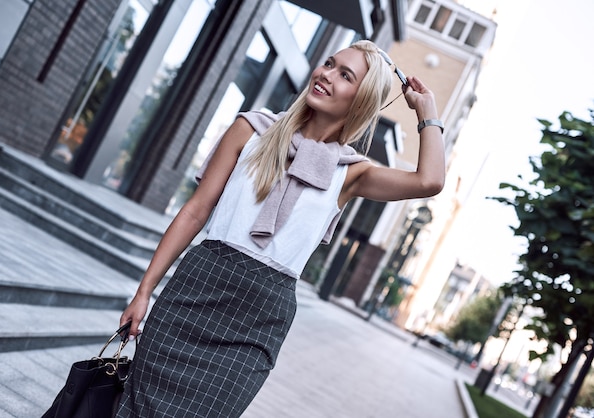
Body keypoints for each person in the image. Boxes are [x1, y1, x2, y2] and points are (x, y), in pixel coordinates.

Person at [116, 39, 445, 417]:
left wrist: (427, 113)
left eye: (345, 75)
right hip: (196, 289)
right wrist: (144, 292)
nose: (326, 75)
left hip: (258, 323)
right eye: (328, 63)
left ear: (360, 100)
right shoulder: (250, 129)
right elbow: (195, 211)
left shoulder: (351, 174)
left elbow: (429, 181)